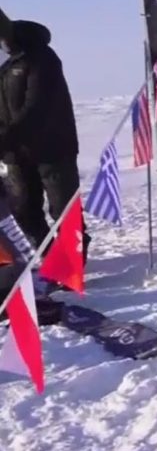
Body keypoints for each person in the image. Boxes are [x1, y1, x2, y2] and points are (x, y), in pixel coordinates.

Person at [0, 18, 90, 266]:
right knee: (23, 211)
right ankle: (52, 259)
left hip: (53, 148)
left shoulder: (41, 57)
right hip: (14, 154)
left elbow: (36, 108)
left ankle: (72, 265)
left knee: (64, 212)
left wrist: (5, 137)